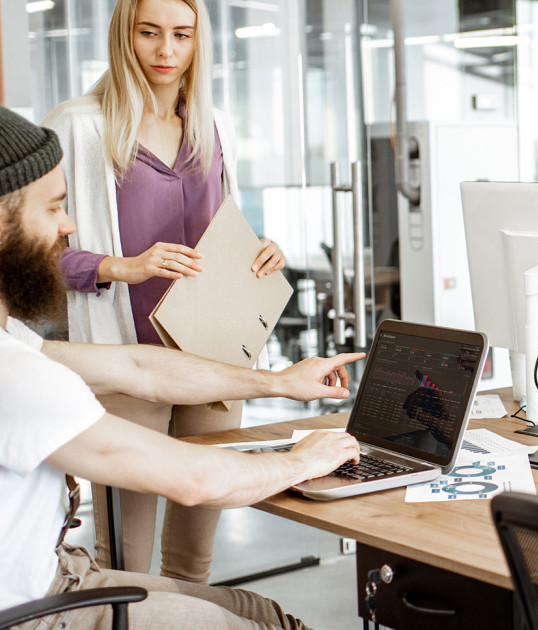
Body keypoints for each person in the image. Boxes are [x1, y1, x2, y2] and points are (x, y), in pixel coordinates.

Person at [0, 105, 359, 628]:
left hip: (57, 576)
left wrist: (279, 382)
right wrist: (303, 462)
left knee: (256, 609)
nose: (70, 225)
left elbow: (140, 367)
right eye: (54, 208)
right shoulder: (17, 376)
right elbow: (194, 479)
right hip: (35, 614)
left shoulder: (14, 346)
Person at [41, 0, 286, 582]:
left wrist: (260, 247)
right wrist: (119, 266)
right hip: (129, 362)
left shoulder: (214, 124)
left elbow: (222, 226)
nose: (166, 51)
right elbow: (34, 254)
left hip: (212, 357)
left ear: (200, 41)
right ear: (124, 35)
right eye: (149, 33)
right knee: (124, 558)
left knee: (194, 558)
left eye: (181, 35)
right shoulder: (78, 126)